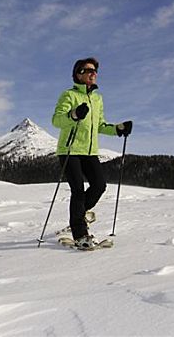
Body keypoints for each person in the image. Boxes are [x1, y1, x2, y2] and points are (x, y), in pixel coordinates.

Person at [52, 57, 132, 249]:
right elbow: (56, 120)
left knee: (99, 185)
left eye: (95, 71)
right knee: (77, 190)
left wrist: (118, 129)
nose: (93, 73)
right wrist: (73, 115)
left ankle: (78, 216)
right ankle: (80, 233)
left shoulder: (97, 98)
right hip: (69, 150)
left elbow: (100, 125)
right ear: (78, 74)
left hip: (89, 152)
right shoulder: (68, 95)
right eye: (89, 70)